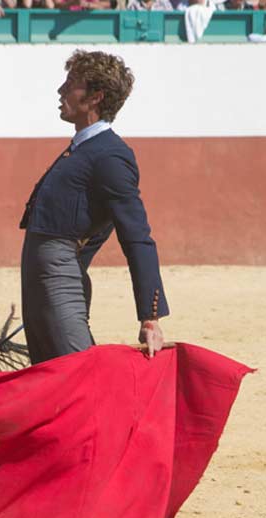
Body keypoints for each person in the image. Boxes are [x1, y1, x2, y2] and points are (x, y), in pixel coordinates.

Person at [19, 50, 168, 364]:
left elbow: (136, 236)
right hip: (45, 279)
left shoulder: (110, 155)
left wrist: (150, 315)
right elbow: (95, 222)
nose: (61, 91)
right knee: (48, 375)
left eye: (71, 83)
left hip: (57, 279)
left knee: (77, 371)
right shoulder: (84, 148)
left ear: (95, 97)